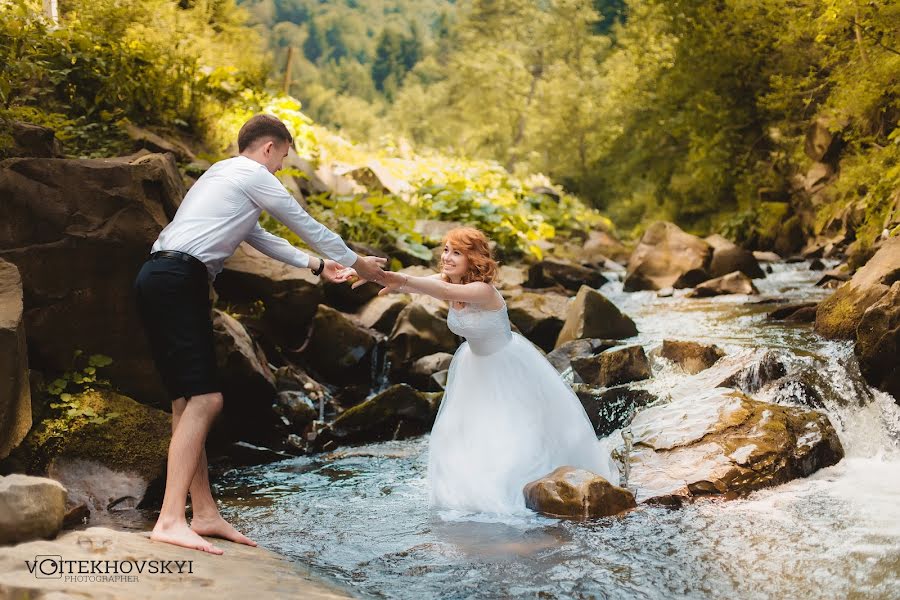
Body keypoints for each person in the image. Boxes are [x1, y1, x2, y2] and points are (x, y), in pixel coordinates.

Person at [133, 114, 386, 554]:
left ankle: (204, 512)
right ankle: (171, 518)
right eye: (283, 157)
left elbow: (259, 236)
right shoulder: (252, 172)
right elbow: (302, 221)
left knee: (186, 401)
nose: (282, 169)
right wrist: (359, 262)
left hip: (162, 276)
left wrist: (318, 265)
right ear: (268, 147)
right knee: (208, 400)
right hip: (178, 279)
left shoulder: (223, 175)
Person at [359, 227, 619, 514]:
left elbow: (440, 290)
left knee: (515, 429)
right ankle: (472, 480)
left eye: (457, 252)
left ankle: (534, 485)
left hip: (506, 364)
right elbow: (416, 285)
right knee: (469, 430)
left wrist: (404, 280)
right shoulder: (450, 280)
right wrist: (372, 274)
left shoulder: (483, 291)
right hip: (474, 365)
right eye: (445, 249)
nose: (447, 257)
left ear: (474, 259)